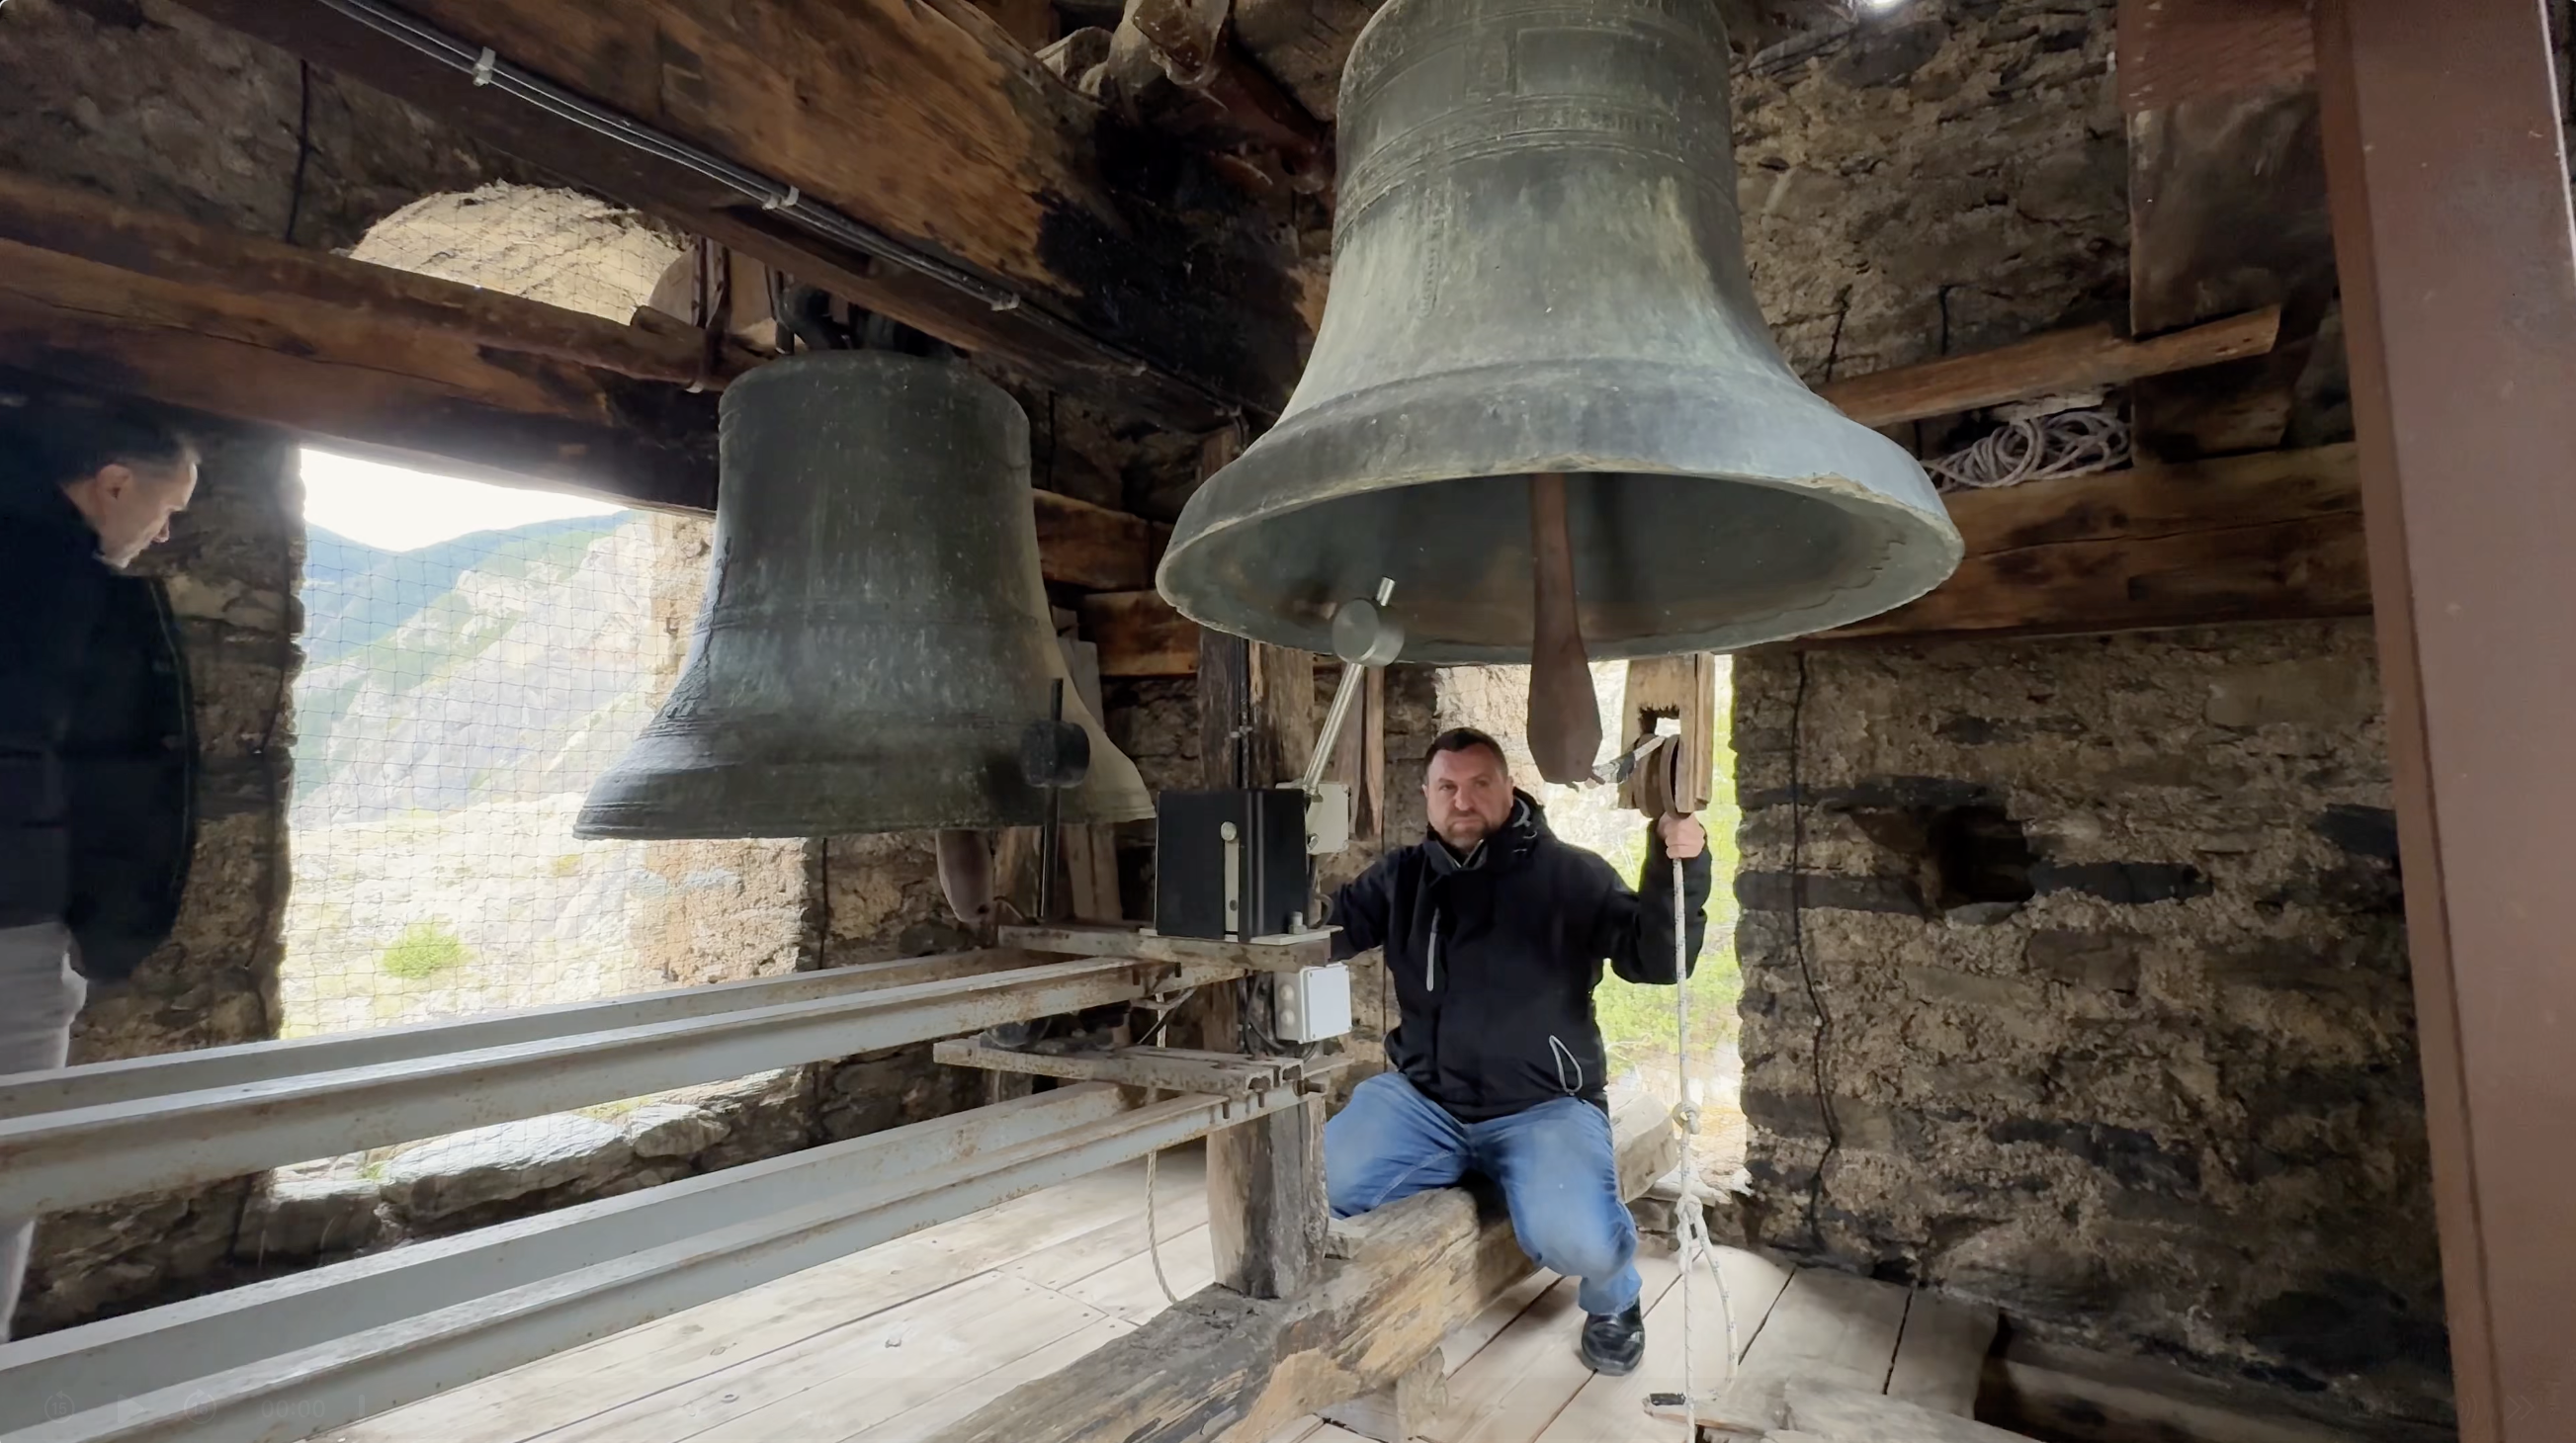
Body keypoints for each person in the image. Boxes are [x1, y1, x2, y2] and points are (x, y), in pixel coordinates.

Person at [1323, 725, 1711, 1376]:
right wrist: (1266, 892)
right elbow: (1325, 930)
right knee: (1328, 1179)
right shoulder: (1401, 877)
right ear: (1426, 796)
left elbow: (1657, 960)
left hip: (1544, 1107)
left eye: (1480, 784)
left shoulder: (1572, 875)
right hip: (1425, 1101)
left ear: (1509, 789)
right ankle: (1491, 1172)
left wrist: (1682, 867)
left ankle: (1615, 1298)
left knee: (1581, 1241)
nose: (1463, 800)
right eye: (1447, 787)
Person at [0, 398, 200, 1337]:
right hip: (10, 918)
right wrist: (106, 922)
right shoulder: (70, 593)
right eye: (167, 508)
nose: (166, 534)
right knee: (10, 1169)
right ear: (114, 483)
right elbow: (110, 776)